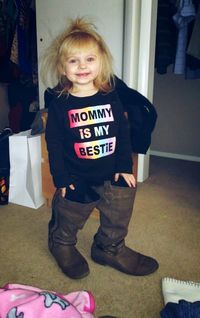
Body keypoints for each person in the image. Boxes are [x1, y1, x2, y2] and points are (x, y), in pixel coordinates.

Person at [42, 17, 159, 279]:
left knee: (123, 194)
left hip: (109, 171)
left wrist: (124, 167)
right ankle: (61, 242)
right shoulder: (60, 104)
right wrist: (60, 177)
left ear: (101, 62)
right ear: (63, 67)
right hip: (76, 175)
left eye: (89, 59)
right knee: (70, 212)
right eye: (73, 61)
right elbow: (55, 144)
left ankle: (109, 246)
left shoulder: (111, 96)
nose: (82, 66)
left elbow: (121, 133)